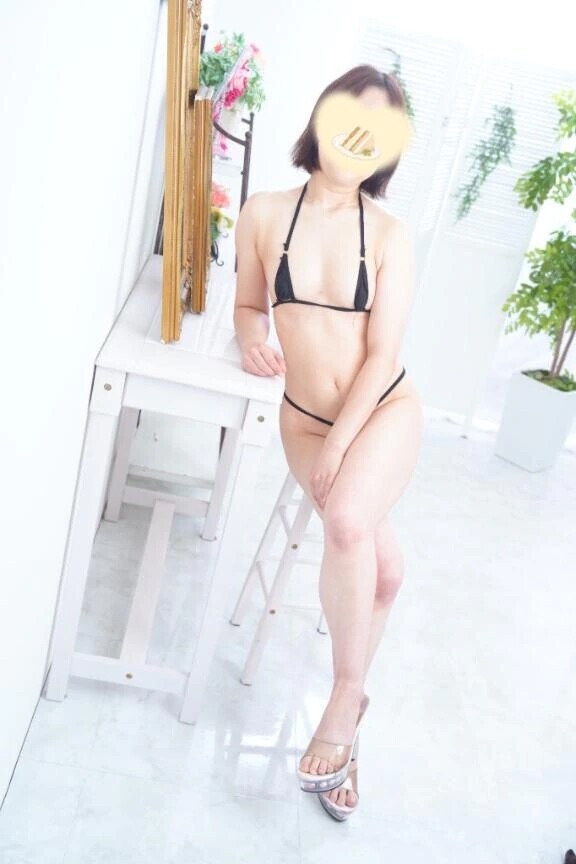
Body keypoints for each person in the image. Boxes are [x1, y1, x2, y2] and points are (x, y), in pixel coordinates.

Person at [233, 63, 424, 819]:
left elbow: (382, 358)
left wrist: (344, 449)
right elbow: (249, 305)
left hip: (382, 412)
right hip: (303, 418)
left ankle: (343, 699)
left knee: (345, 522)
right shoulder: (264, 214)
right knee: (384, 574)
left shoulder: (390, 235)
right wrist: (252, 338)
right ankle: (353, 738)